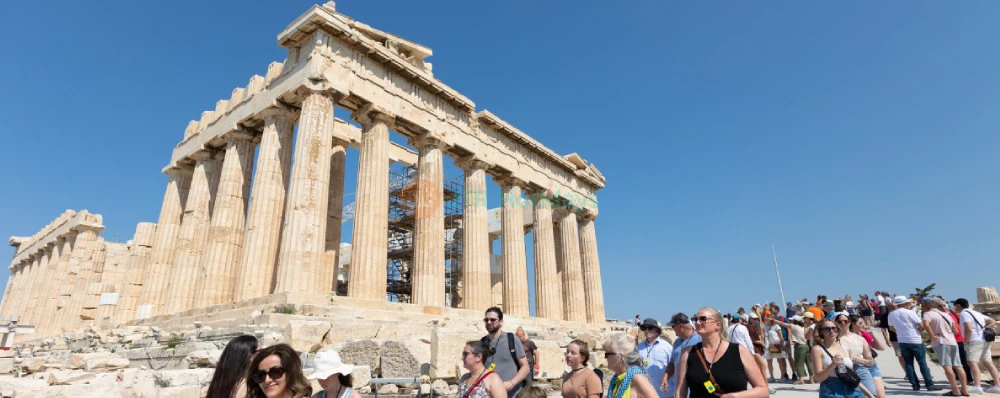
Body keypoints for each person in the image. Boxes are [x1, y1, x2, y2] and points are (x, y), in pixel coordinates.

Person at [674, 307, 768, 398]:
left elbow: (763, 391)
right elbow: (680, 391)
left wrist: (735, 396)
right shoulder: (688, 353)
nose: (697, 323)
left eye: (703, 319)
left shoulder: (739, 351)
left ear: (718, 325)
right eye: (695, 319)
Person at [887, 295, 940, 391]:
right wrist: (918, 330)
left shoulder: (891, 314)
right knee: (922, 362)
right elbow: (920, 325)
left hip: (902, 340)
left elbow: (891, 328)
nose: (909, 304)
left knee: (908, 363)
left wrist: (900, 331)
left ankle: (915, 385)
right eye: (907, 302)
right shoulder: (910, 312)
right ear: (904, 303)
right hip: (915, 339)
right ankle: (929, 385)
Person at [920, 298, 967, 397]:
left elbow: (926, 325)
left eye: (923, 306)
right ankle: (964, 389)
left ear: (927, 306)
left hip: (940, 341)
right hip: (952, 341)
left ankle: (955, 390)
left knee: (947, 366)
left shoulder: (928, 314)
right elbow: (955, 330)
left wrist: (932, 336)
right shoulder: (946, 315)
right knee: (958, 366)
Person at [954, 298, 1000, 394]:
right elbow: (992, 321)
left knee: (972, 362)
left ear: (958, 305)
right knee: (988, 362)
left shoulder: (964, 313)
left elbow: (968, 327)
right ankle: (997, 385)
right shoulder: (975, 313)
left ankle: (977, 385)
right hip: (983, 340)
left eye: (955, 306)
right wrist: (984, 329)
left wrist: (966, 340)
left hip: (973, 341)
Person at [480, 307, 530, 397]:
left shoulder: (512, 339)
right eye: (486, 320)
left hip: (512, 394)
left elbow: (525, 367)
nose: (489, 322)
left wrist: (512, 383)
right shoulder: (482, 343)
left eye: (493, 320)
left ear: (501, 322)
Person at [811, 319, 864, 398]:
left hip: (852, 389)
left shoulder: (845, 347)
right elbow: (819, 378)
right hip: (832, 389)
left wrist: (869, 394)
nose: (831, 331)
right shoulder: (817, 349)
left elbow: (850, 373)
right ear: (821, 332)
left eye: (834, 328)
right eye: (827, 329)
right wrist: (833, 365)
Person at [603, 333, 659, 398]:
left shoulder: (637, 379)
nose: (605, 357)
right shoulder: (618, 377)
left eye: (607, 354)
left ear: (620, 356)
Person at [834, 314, 877, 398]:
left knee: (870, 396)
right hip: (844, 371)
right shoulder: (835, 340)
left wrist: (861, 360)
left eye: (845, 321)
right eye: (840, 321)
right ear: (836, 323)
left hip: (860, 369)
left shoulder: (860, 339)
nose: (843, 323)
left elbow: (871, 362)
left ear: (849, 322)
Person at [661, 313, 701, 397]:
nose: (672, 329)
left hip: (696, 391)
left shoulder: (700, 339)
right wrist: (666, 376)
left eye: (673, 326)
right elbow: (672, 362)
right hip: (679, 391)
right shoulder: (677, 342)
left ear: (680, 326)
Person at [636, 318, 672, 398]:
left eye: (649, 328)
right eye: (645, 328)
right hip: (645, 393)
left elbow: (673, 366)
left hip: (664, 393)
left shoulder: (666, 347)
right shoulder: (639, 348)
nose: (646, 331)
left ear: (656, 330)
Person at [773, 315, 813, 384]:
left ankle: (801, 379)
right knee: (808, 363)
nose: (791, 321)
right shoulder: (803, 327)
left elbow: (783, 324)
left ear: (795, 320)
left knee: (798, 363)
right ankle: (811, 379)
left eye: (792, 320)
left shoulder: (794, 326)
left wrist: (775, 321)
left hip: (799, 346)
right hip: (805, 346)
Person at [853, 317, 886, 398]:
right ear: (853, 325)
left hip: (871, 365)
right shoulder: (847, 337)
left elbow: (881, 347)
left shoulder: (863, 334)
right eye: (860, 323)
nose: (863, 325)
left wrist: (870, 333)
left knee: (880, 396)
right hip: (858, 367)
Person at [763, 315, 789, 382]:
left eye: (768, 317)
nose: (766, 318)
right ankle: (771, 376)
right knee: (769, 361)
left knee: (779, 360)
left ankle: (783, 376)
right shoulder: (765, 326)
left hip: (775, 345)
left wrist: (782, 345)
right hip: (768, 345)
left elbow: (781, 337)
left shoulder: (776, 326)